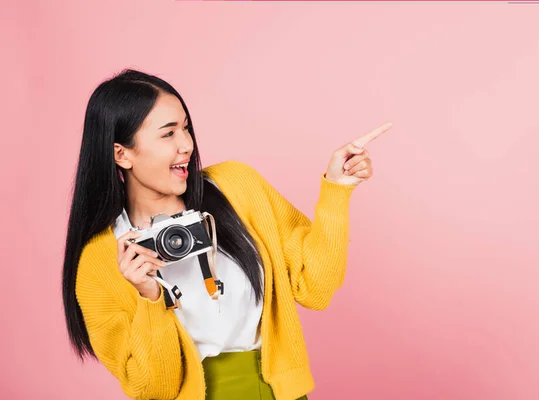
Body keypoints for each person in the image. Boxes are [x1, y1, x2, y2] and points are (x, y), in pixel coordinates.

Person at [62, 68, 391, 400]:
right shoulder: (101, 260)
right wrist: (149, 296)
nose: (186, 145)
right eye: (168, 134)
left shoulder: (236, 187)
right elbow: (154, 389)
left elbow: (315, 289)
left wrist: (336, 190)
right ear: (122, 154)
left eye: (185, 128)